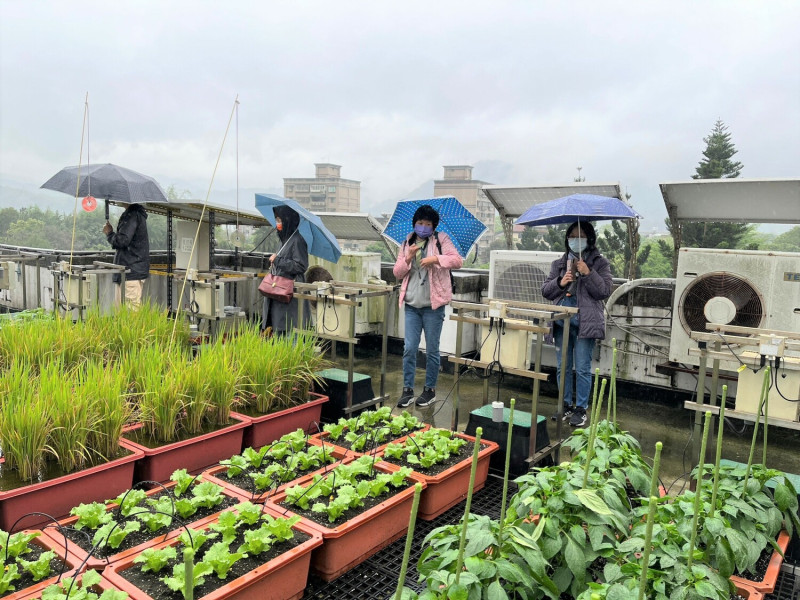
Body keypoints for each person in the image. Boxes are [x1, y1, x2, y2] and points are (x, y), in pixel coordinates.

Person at [541, 221, 612, 427]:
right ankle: (565, 405)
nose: (575, 239)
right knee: (563, 366)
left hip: (585, 323)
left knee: (581, 366)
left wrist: (588, 273)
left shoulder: (600, 263)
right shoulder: (559, 263)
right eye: (572, 236)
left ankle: (581, 409)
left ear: (589, 239)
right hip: (562, 321)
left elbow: (603, 291)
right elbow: (546, 291)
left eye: (580, 235)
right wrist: (561, 282)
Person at [393, 205, 463, 408]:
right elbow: (397, 272)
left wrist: (436, 259)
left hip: (433, 307)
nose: (423, 227)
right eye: (420, 223)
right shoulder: (407, 242)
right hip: (412, 305)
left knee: (432, 350)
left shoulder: (441, 240)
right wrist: (407, 258)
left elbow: (457, 260)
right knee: (409, 348)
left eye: (428, 224)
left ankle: (429, 390)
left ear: (434, 227)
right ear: (414, 224)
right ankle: (407, 390)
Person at [262, 206, 309, 335]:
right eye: (276, 219)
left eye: (279, 219)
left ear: (288, 220)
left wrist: (278, 261)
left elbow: (300, 266)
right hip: (278, 291)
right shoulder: (284, 240)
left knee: (288, 328)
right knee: (278, 328)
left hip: (289, 295)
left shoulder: (297, 240)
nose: (277, 223)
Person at [103, 203, 150, 308]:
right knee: (123, 311)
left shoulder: (132, 215)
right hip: (130, 270)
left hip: (131, 271)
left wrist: (109, 233)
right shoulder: (135, 214)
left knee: (130, 311)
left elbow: (122, 240)